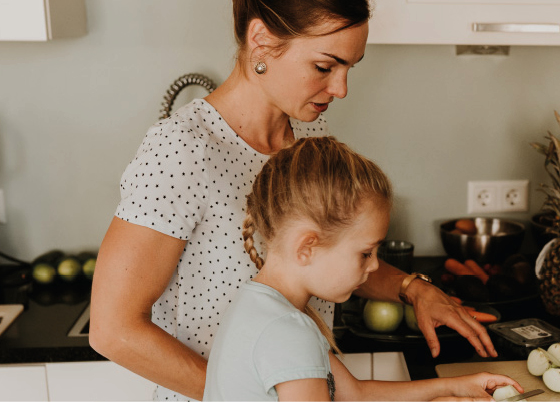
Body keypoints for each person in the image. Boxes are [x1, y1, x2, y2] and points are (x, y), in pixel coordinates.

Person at [89, 1, 498, 400]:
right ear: (262, 41)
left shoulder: (304, 132)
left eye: (349, 68)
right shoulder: (183, 149)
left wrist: (411, 288)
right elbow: (113, 330)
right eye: (325, 67)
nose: (340, 88)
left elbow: (323, 250)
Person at [203, 136, 522, 401]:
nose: (373, 267)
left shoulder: (262, 309)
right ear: (307, 247)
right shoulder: (287, 332)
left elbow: (354, 394)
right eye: (365, 253)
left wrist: (453, 386)